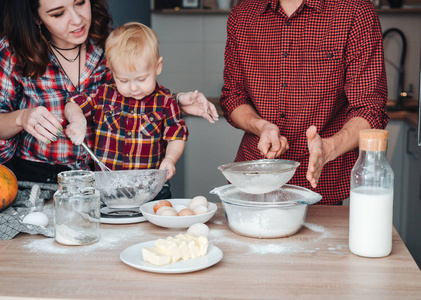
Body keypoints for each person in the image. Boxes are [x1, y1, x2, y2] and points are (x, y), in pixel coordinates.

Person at [0, 0, 218, 199]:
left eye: (80, 3)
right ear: (36, 17)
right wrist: (22, 118)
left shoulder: (113, 44)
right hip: (39, 182)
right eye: (58, 14)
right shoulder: (13, 52)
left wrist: (177, 101)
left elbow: (137, 96)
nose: (77, 20)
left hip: (102, 180)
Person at [220, 0, 388, 205]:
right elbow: (233, 96)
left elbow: (369, 107)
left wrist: (329, 148)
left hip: (321, 185)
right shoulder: (243, 13)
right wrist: (261, 126)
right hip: (253, 181)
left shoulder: (354, 10)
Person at [64, 22, 188, 198]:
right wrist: (78, 121)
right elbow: (73, 103)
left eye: (141, 79)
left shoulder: (166, 103)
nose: (134, 87)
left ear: (158, 66)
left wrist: (170, 159)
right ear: (112, 70)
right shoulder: (103, 95)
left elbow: (177, 136)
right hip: (107, 189)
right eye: (123, 80)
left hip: (151, 189)